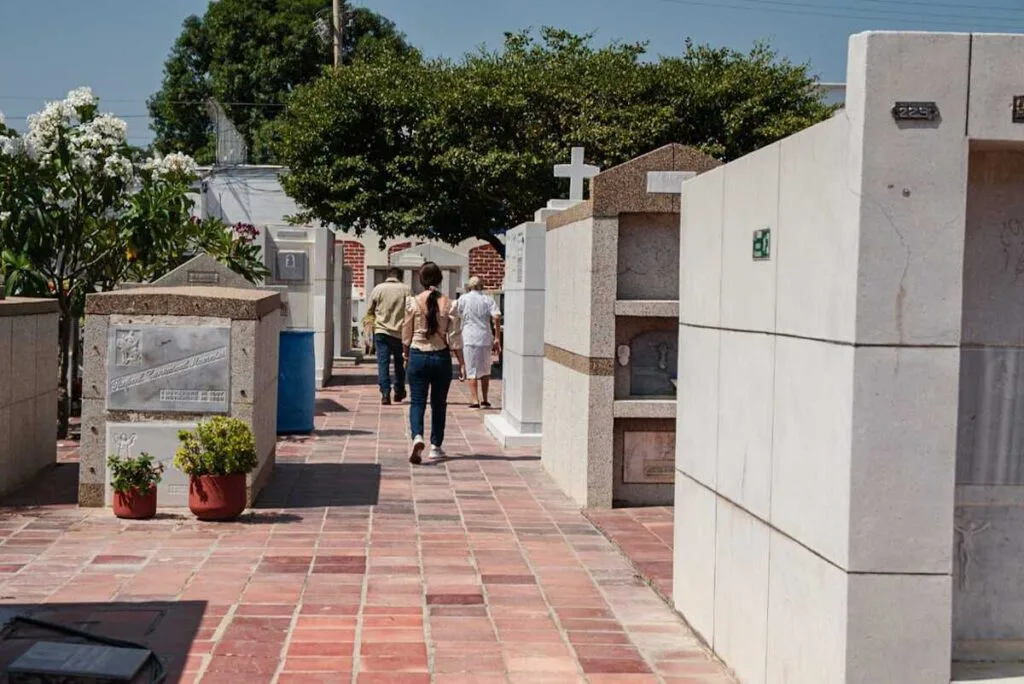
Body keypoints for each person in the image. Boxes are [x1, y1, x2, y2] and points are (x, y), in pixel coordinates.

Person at [402, 262, 465, 464]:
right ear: (440, 279)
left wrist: (405, 355)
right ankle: (436, 446)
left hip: (418, 355)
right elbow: (454, 337)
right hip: (440, 357)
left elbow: (406, 332)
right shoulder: (449, 304)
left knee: (417, 401)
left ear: (420, 280)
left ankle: (417, 436)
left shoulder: (413, 302)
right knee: (439, 403)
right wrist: (461, 362)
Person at [455, 276, 502, 409]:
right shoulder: (487, 299)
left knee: (471, 369)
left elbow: (455, 313)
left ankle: (475, 399)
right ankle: (485, 399)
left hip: (469, 337)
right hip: (485, 337)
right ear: (482, 286)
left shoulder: (463, 299)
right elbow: (497, 316)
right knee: (485, 369)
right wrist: (497, 337)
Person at [366, 267, 411, 405]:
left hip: (382, 331)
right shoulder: (406, 289)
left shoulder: (378, 289)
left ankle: (385, 392)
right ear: (400, 276)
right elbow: (411, 311)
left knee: (383, 363)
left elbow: (369, 310)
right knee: (400, 363)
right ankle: (399, 391)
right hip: (400, 332)